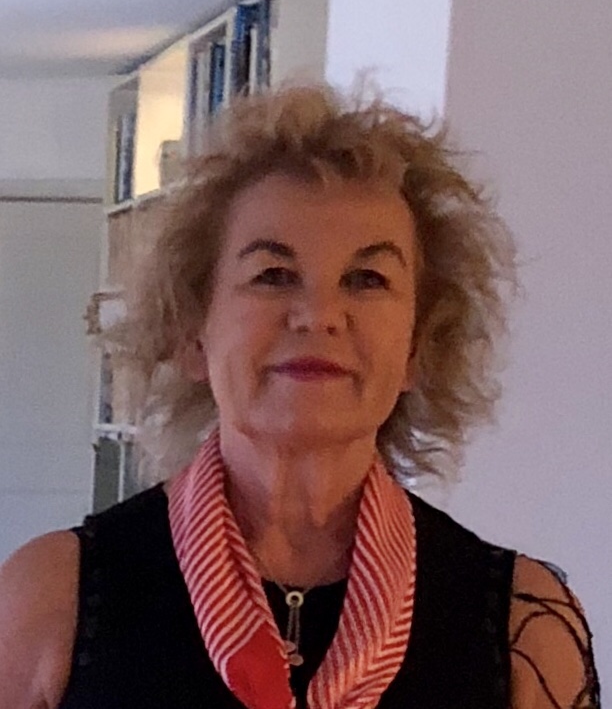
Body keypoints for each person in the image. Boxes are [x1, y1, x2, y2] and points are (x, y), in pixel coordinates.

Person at [0, 83, 600, 709]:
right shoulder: (50, 601)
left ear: (419, 348)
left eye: (367, 279)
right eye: (273, 275)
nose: (318, 315)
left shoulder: (524, 630)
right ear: (192, 334)